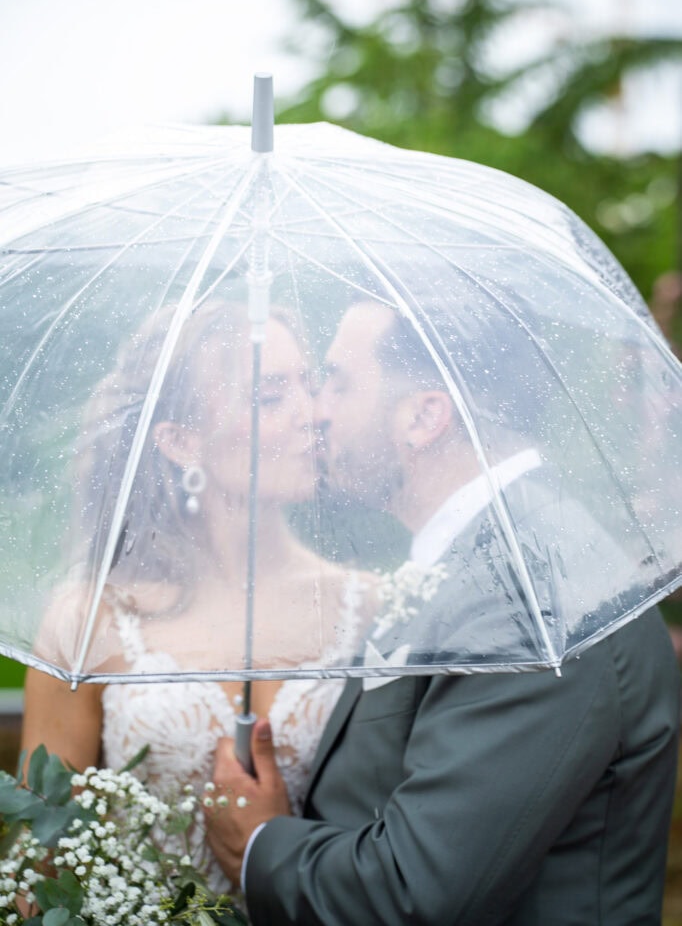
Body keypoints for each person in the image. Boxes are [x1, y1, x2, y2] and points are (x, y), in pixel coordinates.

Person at [207, 299, 681, 925]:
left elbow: (417, 893)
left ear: (424, 416)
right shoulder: (487, 558)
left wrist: (260, 843)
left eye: (338, 384)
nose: (316, 411)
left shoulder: (526, 600)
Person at [21, 299, 372, 894]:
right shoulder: (91, 620)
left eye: (310, 386)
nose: (312, 413)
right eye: (270, 397)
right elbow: (44, 865)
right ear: (180, 440)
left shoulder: (371, 609)